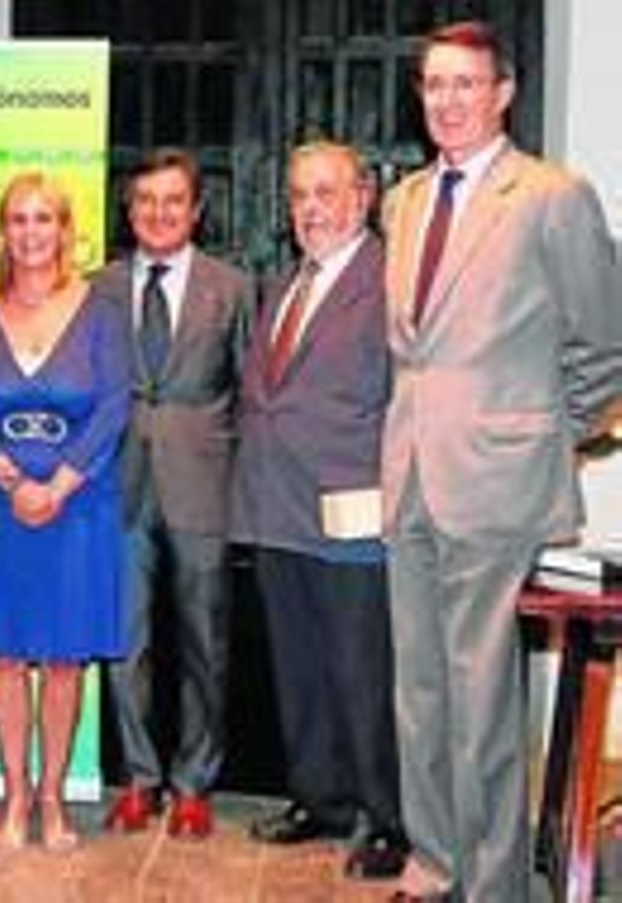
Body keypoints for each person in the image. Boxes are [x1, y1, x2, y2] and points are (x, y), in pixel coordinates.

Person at [382, 21, 622, 901]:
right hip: (409, 472)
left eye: (463, 84)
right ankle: (435, 859)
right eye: (433, 85)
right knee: (421, 694)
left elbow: (605, 341)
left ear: (503, 92)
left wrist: (541, 427)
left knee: (482, 701)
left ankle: (493, 887)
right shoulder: (403, 200)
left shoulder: (553, 195)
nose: (446, 101)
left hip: (499, 482)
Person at [230, 141, 406, 880]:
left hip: (352, 513)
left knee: (360, 671)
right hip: (276, 507)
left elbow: (406, 401)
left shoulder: (388, 281)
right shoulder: (285, 283)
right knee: (298, 666)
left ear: (362, 197)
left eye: (326, 193)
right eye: (299, 194)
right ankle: (320, 798)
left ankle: (386, 818)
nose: (310, 209)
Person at [0, 172, 130, 850]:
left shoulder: (102, 311)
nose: (30, 232)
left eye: (43, 218)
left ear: (64, 229)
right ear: (4, 231)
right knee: (3, 657)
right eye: (18, 219)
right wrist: (10, 479)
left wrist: (57, 485)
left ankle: (53, 799)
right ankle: (13, 796)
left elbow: (114, 406)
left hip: (77, 509)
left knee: (61, 661)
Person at [95, 148, 251, 840]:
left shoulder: (233, 287)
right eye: (145, 202)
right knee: (123, 639)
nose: (158, 213)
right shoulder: (96, 288)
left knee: (204, 640)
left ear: (196, 209)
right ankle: (138, 777)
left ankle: (194, 782)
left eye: (172, 201)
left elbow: (253, 396)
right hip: (116, 486)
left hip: (203, 486)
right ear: (130, 212)